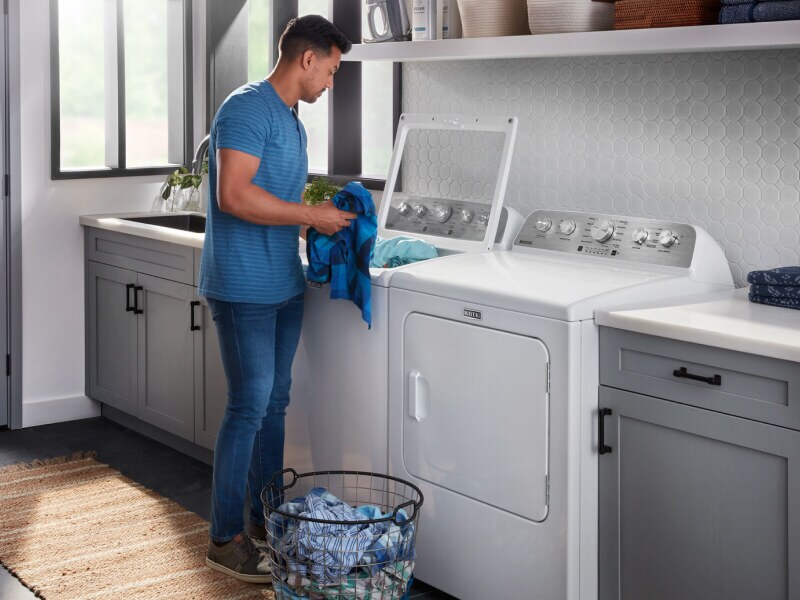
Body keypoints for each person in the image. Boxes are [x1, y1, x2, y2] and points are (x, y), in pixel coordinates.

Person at [199, 15, 355, 584]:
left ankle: (266, 522)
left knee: (274, 404)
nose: (331, 83)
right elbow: (234, 195)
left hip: (283, 283)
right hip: (242, 285)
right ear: (307, 59)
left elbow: (277, 194)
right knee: (249, 405)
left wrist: (324, 218)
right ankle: (225, 539)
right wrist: (310, 214)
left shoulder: (291, 120)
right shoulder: (245, 109)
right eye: (331, 71)